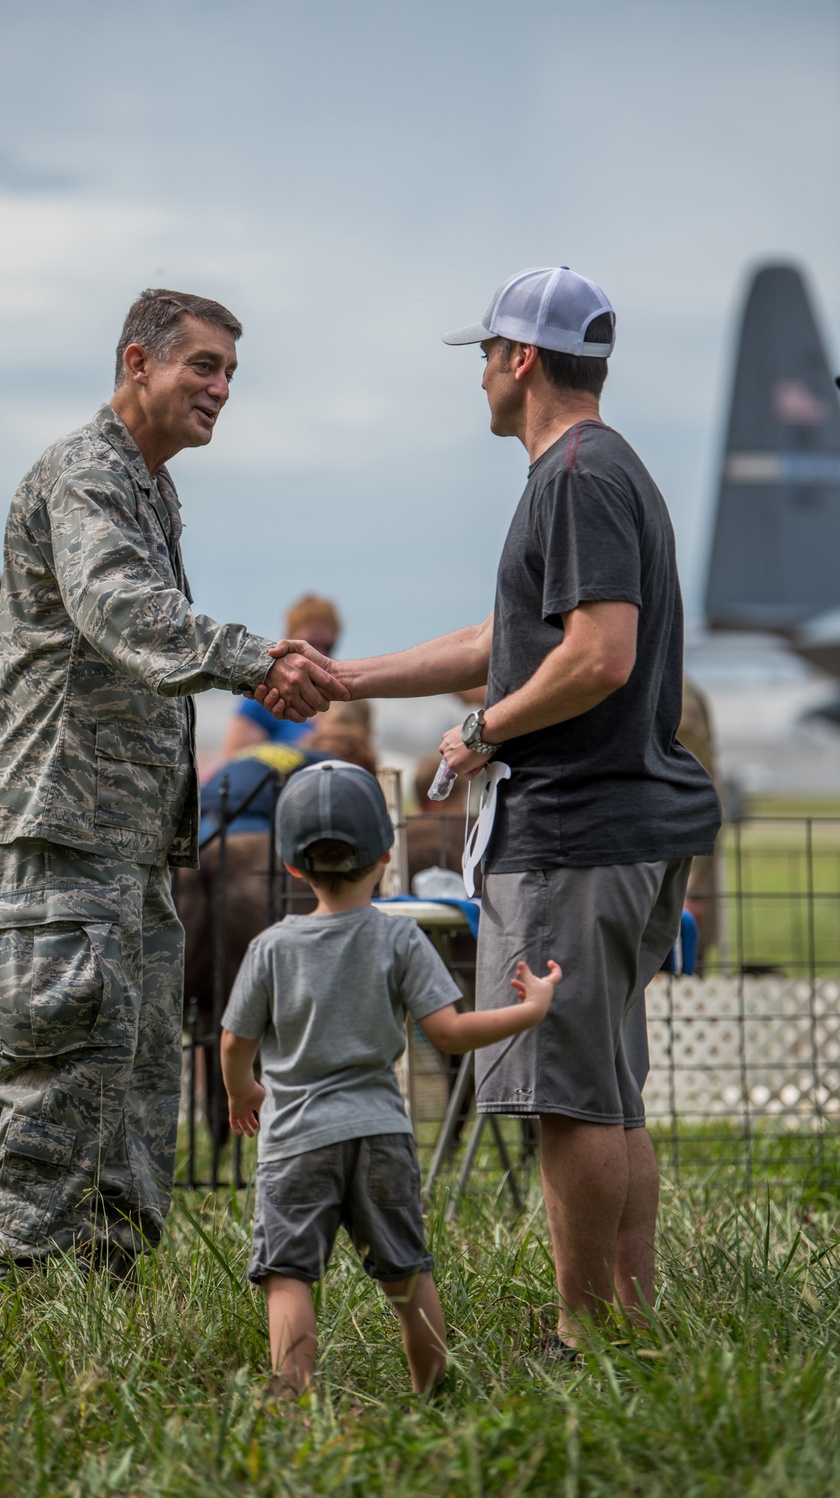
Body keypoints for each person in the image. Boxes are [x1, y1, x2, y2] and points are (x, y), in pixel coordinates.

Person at [258, 267, 722, 1352]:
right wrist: (352, 676)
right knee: (609, 1090)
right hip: (626, 829)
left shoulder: (573, 475)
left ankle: (582, 1339)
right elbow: (501, 637)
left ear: (520, 360)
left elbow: (597, 655)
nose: (477, 376)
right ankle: (631, 1339)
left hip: (573, 830)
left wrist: (481, 733)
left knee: (571, 1098)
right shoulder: (604, 474)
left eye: (484, 355)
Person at [0, 288, 347, 1279]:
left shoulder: (147, 486)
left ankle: (101, 1294)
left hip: (125, 840)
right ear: (137, 361)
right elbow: (117, 608)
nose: (221, 388)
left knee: (134, 1076)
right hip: (61, 826)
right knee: (63, 1075)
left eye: (230, 372)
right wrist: (251, 655)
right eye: (203, 366)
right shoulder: (87, 475)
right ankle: (20, 1306)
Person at [220, 761, 560, 1395]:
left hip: (294, 1141)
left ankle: (291, 1398)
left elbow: (234, 1039)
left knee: (288, 1273)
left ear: (292, 866)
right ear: (385, 852)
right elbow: (452, 1034)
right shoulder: (400, 938)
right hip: (381, 1135)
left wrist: (242, 1089)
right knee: (406, 1272)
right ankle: (432, 1390)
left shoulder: (271, 948)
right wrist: (529, 1010)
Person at [220, 595, 342, 757]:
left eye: (327, 646)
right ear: (289, 638)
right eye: (311, 644)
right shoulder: (264, 699)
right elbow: (234, 768)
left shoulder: (341, 698)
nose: (319, 654)